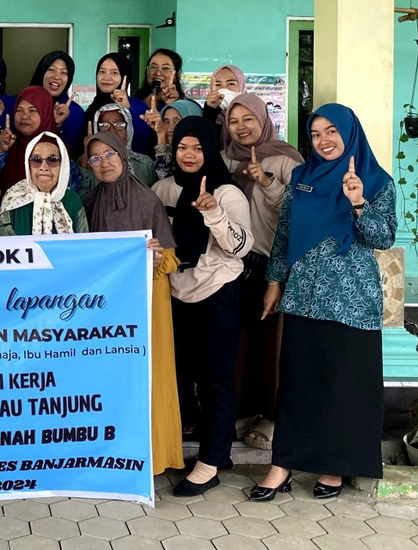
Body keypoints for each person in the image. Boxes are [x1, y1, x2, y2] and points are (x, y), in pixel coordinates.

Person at [251, 104, 395, 502]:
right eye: (315, 134)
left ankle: (335, 466)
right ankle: (282, 465)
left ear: (349, 132)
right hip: (303, 298)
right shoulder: (302, 177)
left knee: (343, 386)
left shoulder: (377, 181)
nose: (324, 140)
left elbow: (383, 238)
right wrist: (274, 282)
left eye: (331, 131)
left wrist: (358, 202)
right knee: (298, 385)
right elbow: (284, 233)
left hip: (352, 303)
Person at [151, 117, 252, 496]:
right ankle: (201, 446)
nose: (189, 155)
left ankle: (211, 462)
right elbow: (151, 236)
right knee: (180, 375)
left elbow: (240, 247)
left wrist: (214, 213)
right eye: (182, 147)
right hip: (176, 292)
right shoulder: (162, 189)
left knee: (215, 379)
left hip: (218, 291)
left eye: (197, 147)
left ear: (209, 149)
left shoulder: (228, 193)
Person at [82, 131, 183, 474]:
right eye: (95, 158)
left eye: (109, 154)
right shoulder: (90, 202)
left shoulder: (147, 200)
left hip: (148, 301)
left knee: (149, 376)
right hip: (108, 306)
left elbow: (170, 258)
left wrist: (157, 259)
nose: (104, 163)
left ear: (123, 155)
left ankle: (155, 458)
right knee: (112, 377)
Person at [221, 94, 303, 446]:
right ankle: (243, 410)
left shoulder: (285, 159)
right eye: (233, 121)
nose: (241, 127)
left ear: (263, 119)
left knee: (274, 346)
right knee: (240, 344)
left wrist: (267, 183)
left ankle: (271, 417)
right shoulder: (226, 159)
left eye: (248, 119)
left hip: (275, 264)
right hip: (236, 267)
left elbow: (301, 209)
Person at [0, 132, 87, 236]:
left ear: (63, 165)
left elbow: (84, 242)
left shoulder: (72, 200)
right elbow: (4, 243)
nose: (43, 167)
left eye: (52, 160)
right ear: (28, 165)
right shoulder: (13, 198)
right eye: (36, 160)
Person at [84, 53, 151, 154]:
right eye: (102, 72)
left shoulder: (139, 107)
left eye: (114, 73)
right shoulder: (92, 109)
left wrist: (128, 109)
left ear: (125, 77)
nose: (106, 77)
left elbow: (143, 144)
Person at [0, 86, 57, 193]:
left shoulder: (57, 149)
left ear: (46, 113)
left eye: (32, 110)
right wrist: (1, 150)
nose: (24, 116)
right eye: (19, 110)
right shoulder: (10, 144)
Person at [85, 103, 157, 189]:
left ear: (128, 130)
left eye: (119, 125)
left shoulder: (145, 165)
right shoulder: (92, 165)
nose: (112, 131)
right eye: (104, 125)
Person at [29, 51, 86, 157]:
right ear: (41, 72)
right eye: (51, 69)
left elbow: (73, 155)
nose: (57, 77)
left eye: (64, 72)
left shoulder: (75, 113)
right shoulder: (23, 104)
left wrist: (58, 127)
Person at [142, 98, 204, 179]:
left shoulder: (205, 152)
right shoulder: (149, 155)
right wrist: (161, 133)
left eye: (177, 121)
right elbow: (165, 181)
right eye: (166, 121)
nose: (170, 128)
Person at [204, 64, 246, 143]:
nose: (224, 88)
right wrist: (211, 110)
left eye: (231, 84)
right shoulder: (208, 114)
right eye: (218, 84)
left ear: (241, 86)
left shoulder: (254, 111)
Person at [134, 49, 186, 113]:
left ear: (177, 75)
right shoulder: (133, 102)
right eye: (153, 67)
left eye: (165, 68)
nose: (158, 73)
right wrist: (142, 106)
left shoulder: (186, 105)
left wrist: (173, 105)